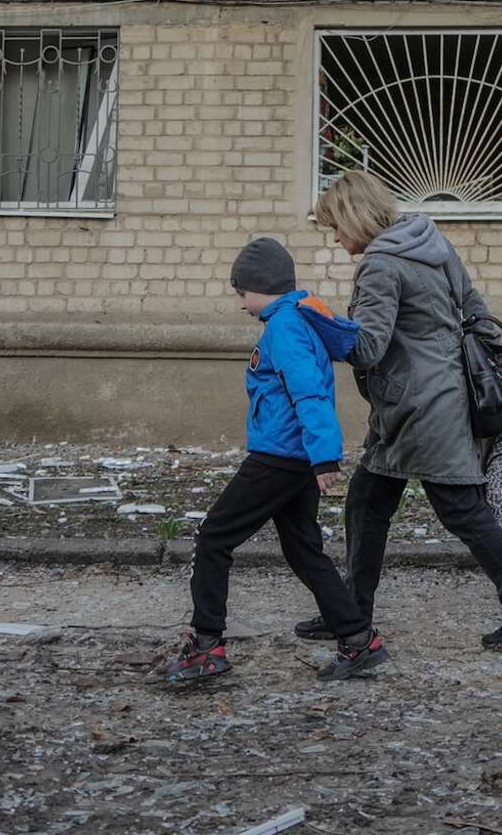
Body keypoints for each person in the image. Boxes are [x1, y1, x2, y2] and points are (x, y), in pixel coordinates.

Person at [296, 171, 502, 651]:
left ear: (355, 217)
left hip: (418, 407)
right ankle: (350, 612)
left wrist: (318, 323)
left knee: (463, 511)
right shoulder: (431, 243)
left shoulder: (380, 265)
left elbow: (369, 348)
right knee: (367, 504)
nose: (335, 237)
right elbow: (476, 311)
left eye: (336, 226)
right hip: (437, 398)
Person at [165, 237, 389, 683]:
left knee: (214, 537)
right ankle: (359, 638)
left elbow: (310, 392)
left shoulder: (285, 326)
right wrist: (317, 456)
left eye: (240, 292)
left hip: (280, 456)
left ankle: (206, 644)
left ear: (259, 287)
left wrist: (326, 457)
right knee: (303, 550)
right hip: (294, 454)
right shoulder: (293, 320)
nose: (240, 303)